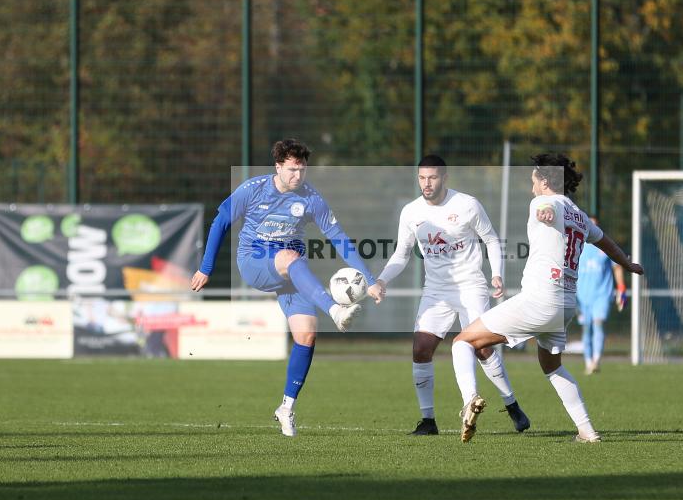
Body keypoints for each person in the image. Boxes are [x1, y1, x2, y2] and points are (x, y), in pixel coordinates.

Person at [191, 139, 384, 437]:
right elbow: (220, 223)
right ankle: (334, 310)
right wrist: (206, 268)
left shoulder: (311, 198)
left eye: (302, 170)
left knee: (306, 335)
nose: (298, 175)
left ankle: (286, 407)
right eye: (292, 170)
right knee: (290, 257)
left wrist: (369, 279)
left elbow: (338, 238)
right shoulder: (252, 190)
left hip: (292, 271)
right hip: (254, 263)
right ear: (278, 167)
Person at [450, 153, 643, 443]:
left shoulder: (543, 202)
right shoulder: (580, 216)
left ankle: (469, 400)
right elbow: (607, 243)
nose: (532, 188)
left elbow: (546, 208)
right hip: (565, 305)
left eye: (533, 182)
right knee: (552, 366)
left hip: (540, 299)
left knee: (462, 342)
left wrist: (545, 212)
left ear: (544, 182)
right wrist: (628, 264)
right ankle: (587, 431)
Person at [369, 155, 529, 439]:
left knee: (482, 348)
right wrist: (381, 280)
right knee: (421, 349)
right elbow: (401, 254)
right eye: (422, 178)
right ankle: (428, 421)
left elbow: (491, 239)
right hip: (436, 290)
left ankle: (511, 404)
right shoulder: (411, 212)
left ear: (444, 178)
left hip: (471, 287)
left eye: (432, 177)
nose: (426, 183)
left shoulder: (467, 204)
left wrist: (497, 274)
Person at [576, 218, 627, 374]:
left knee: (599, 323)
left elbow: (617, 267)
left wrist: (621, 287)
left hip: (602, 295)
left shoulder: (605, 246)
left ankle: (596, 361)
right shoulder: (578, 246)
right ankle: (588, 362)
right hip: (582, 296)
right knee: (586, 329)